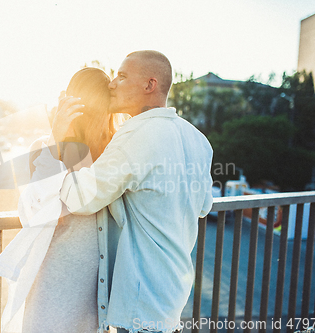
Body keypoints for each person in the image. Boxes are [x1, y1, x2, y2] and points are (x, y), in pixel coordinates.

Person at [54, 50, 214, 333]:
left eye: (123, 76)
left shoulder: (136, 135)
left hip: (143, 300)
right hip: (174, 293)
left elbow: (80, 197)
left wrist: (63, 137)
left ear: (150, 85)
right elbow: (204, 206)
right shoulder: (198, 139)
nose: (113, 83)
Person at [0, 67, 124, 333]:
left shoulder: (117, 150)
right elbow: (32, 210)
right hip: (54, 286)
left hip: (99, 289)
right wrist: (57, 137)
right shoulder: (48, 147)